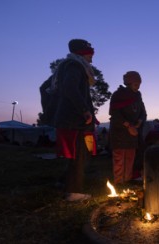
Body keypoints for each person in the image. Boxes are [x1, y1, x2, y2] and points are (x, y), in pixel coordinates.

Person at [54, 38, 97, 202]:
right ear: (82, 53)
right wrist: (85, 110)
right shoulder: (74, 66)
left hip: (73, 118)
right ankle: (74, 192)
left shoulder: (73, 66)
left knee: (80, 154)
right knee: (78, 155)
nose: (92, 57)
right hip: (74, 119)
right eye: (90, 53)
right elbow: (70, 88)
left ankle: (63, 182)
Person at [109, 71, 147, 185]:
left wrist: (140, 121)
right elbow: (114, 113)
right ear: (129, 83)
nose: (138, 87)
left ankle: (127, 179)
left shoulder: (138, 96)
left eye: (139, 84)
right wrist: (128, 125)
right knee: (119, 157)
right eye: (136, 84)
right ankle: (118, 181)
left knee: (130, 157)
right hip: (120, 131)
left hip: (133, 132)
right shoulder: (118, 95)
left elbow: (143, 112)